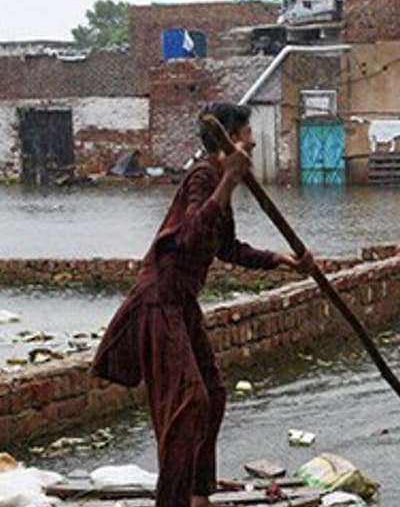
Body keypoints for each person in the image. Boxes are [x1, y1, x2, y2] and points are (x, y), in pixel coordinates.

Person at [91, 102, 316, 507]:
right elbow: (190, 235)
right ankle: (174, 501)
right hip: (160, 301)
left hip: (183, 303)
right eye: (247, 133)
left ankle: (198, 494)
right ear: (230, 139)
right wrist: (228, 180)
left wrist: (281, 261)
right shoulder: (203, 177)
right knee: (188, 400)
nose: (252, 141)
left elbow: (225, 246)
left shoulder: (220, 181)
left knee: (212, 393)